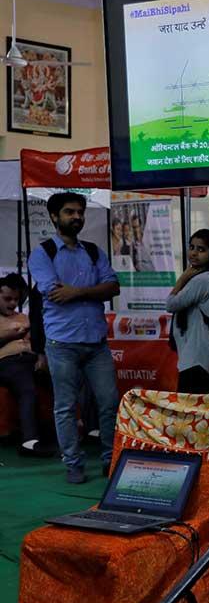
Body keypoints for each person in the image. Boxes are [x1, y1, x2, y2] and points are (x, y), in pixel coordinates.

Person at [28, 192, 121, 483]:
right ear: (54, 217)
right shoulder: (42, 253)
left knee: (109, 402)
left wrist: (77, 291)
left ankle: (110, 460)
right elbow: (55, 292)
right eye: (69, 212)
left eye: (80, 212)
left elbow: (113, 287)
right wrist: (94, 290)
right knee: (66, 407)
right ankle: (73, 463)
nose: (77, 217)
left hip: (96, 343)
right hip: (62, 344)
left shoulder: (93, 251)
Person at [166, 230, 209, 394]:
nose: (194, 253)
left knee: (190, 406)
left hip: (197, 358)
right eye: (192, 247)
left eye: (201, 249)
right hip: (200, 356)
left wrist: (182, 278)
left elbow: (171, 304)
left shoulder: (203, 280)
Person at [0, 274, 54, 457]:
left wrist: (40, 356)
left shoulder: (24, 317)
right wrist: (11, 336)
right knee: (27, 387)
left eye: (16, 299)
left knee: (64, 379)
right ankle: (29, 441)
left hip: (32, 359)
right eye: (7, 299)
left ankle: (77, 429)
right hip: (7, 362)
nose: (13, 303)